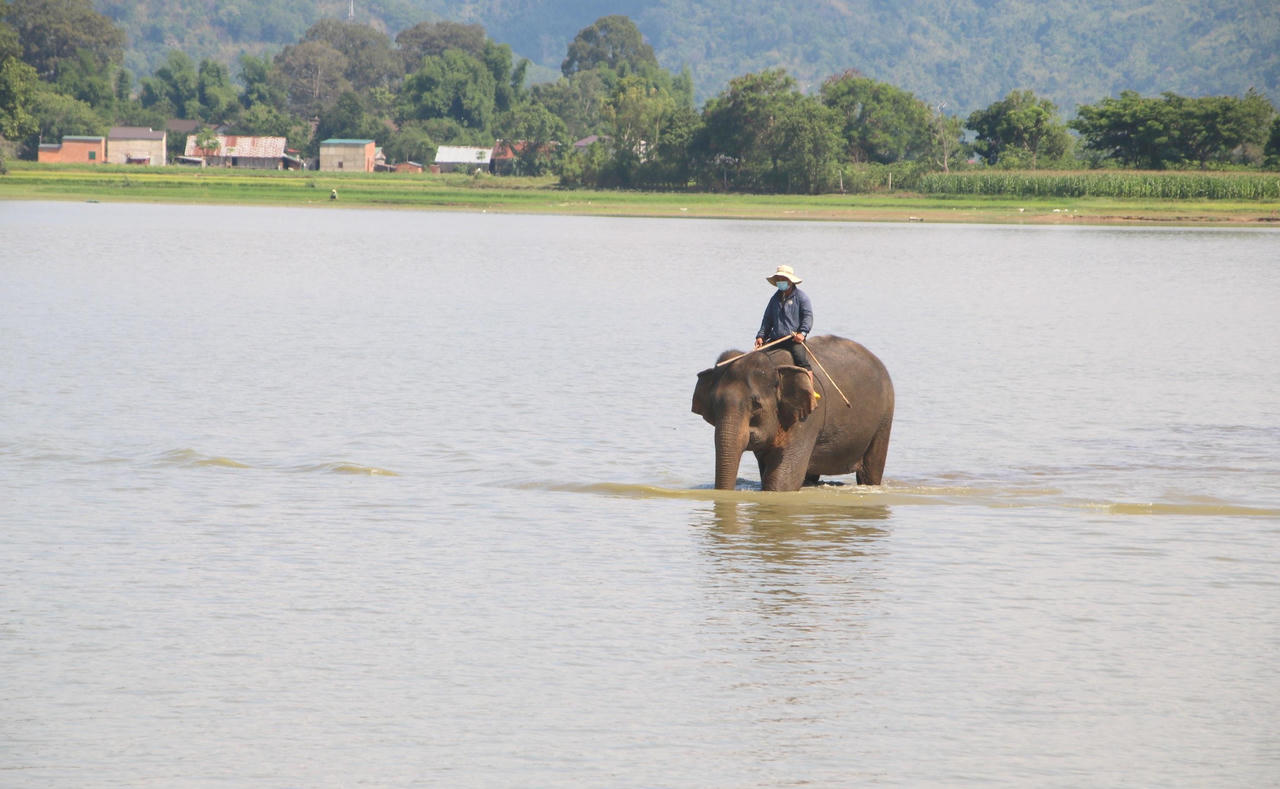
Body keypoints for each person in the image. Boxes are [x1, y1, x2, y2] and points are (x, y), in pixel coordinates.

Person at [755, 264, 819, 404]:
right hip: (776, 338)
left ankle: (810, 390)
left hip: (793, 339)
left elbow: (808, 317)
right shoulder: (774, 299)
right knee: (759, 357)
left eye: (782, 279)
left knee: (801, 361)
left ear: (790, 281)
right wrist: (760, 336)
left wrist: (802, 333)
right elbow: (767, 320)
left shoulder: (802, 298)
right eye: (778, 279)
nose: (780, 282)